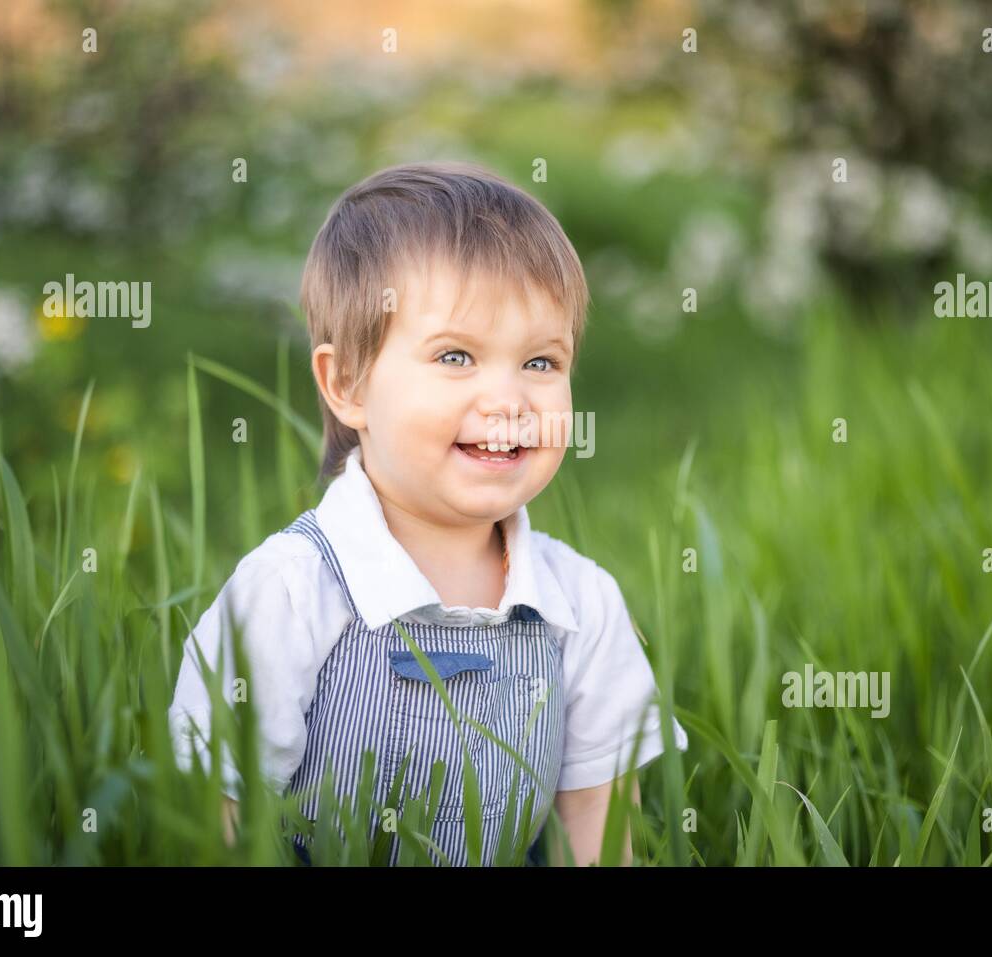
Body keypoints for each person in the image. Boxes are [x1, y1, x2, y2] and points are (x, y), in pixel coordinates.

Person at [169, 160, 688, 866]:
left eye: (541, 362)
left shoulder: (581, 605)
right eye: (456, 355)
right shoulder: (290, 594)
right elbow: (217, 819)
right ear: (347, 382)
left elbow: (598, 832)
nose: (509, 400)